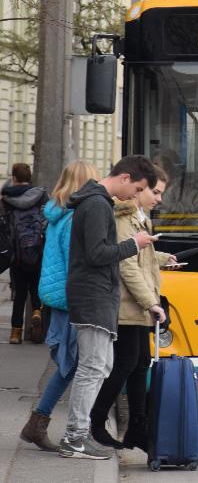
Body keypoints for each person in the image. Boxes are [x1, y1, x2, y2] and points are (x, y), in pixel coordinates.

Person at [58, 155, 158, 460]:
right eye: (138, 187)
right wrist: (135, 244)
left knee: (98, 367)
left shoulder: (94, 201)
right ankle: (75, 438)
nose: (136, 195)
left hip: (94, 295)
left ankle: (78, 434)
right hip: (94, 296)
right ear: (125, 177)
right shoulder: (99, 204)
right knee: (92, 368)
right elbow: (97, 253)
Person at [90, 165, 178, 452]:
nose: (158, 199)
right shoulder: (125, 219)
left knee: (140, 364)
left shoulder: (141, 218)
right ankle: (97, 420)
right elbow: (127, 266)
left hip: (137, 305)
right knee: (126, 363)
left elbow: (143, 257)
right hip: (127, 305)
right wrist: (150, 302)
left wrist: (163, 258)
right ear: (139, 190)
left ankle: (138, 427)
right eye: (154, 192)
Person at [19, 160, 101, 452]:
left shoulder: (57, 213)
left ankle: (38, 423)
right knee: (74, 365)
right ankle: (40, 423)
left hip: (58, 295)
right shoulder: (75, 218)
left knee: (72, 364)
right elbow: (76, 263)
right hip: (71, 298)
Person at [1, 163, 48, 345]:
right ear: (30, 177)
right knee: (36, 288)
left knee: (19, 294)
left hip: (17, 253)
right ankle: (36, 312)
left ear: (14, 177)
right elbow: (46, 220)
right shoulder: (41, 195)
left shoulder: (6, 199)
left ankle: (15, 333)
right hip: (38, 249)